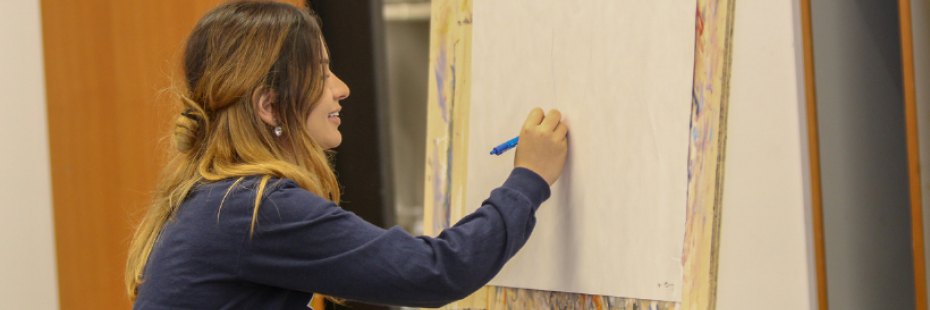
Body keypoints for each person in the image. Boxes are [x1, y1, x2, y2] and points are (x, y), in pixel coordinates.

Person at [125, 1, 568, 309]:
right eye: (320, 73)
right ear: (270, 105)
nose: (341, 88)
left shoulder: (218, 198)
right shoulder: (256, 207)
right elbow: (436, 272)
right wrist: (528, 178)